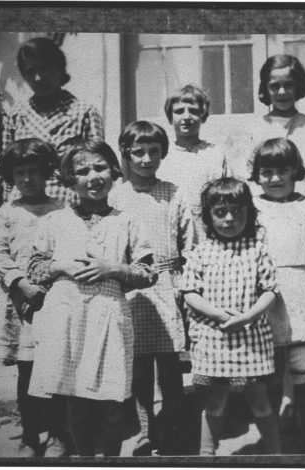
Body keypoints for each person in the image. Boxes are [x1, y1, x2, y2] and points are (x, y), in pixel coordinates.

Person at [26, 140, 157, 457]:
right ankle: (84, 458)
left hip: (108, 318)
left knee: (112, 400)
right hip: (68, 319)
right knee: (76, 398)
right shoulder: (54, 221)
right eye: (82, 171)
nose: (93, 176)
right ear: (69, 180)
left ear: (113, 171)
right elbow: (33, 267)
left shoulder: (127, 221)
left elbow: (148, 272)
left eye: (100, 167)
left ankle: (109, 458)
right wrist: (60, 266)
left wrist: (114, 267)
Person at [250, 138, 305, 454]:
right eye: (267, 171)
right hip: (264, 300)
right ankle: (273, 442)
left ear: (295, 171)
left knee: (304, 371)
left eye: (282, 171)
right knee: (270, 375)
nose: (275, 178)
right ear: (257, 174)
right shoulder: (252, 208)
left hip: (303, 298)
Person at [179, 177, 280, 456]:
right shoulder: (200, 252)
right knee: (215, 400)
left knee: (259, 399)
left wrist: (247, 316)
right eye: (220, 213)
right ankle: (206, 454)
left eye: (237, 211)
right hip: (215, 337)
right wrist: (220, 315)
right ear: (209, 217)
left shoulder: (257, 250)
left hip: (251, 336)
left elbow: (270, 291)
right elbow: (189, 292)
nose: (229, 219)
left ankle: (277, 454)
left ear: (249, 212)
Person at [0, 138, 65, 457]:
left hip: (52, 301)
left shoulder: (60, 210)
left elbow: (67, 249)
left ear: (47, 173)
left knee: (55, 367)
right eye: (20, 173)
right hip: (19, 303)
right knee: (27, 371)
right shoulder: (6, 213)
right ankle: (30, 435)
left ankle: (58, 433)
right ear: (11, 177)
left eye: (34, 171)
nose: (27, 179)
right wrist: (22, 285)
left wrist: (50, 284)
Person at [109, 121, 187, 456]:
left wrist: (186, 284)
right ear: (125, 153)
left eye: (153, 151)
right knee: (138, 366)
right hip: (131, 288)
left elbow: (189, 240)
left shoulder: (173, 192)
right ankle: (144, 430)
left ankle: (173, 428)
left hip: (168, 285)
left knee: (170, 366)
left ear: (163, 153)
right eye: (138, 152)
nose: (146, 158)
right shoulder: (116, 195)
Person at [4, 36, 104, 206]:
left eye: (44, 68)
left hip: (68, 206)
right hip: (23, 208)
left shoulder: (83, 113)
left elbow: (97, 170)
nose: (37, 78)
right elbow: (8, 174)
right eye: (30, 71)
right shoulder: (16, 115)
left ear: (59, 69)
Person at [231, 55, 305, 212]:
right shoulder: (251, 131)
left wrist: (304, 211)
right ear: (265, 88)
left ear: (298, 86)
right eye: (274, 86)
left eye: (288, 85)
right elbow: (243, 179)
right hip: (262, 215)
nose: (282, 92)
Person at [158, 84, 231, 252]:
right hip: (170, 238)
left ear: (203, 116)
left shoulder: (216, 154)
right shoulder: (162, 155)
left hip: (208, 239)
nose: (186, 117)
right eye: (179, 111)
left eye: (193, 111)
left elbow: (230, 195)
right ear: (170, 117)